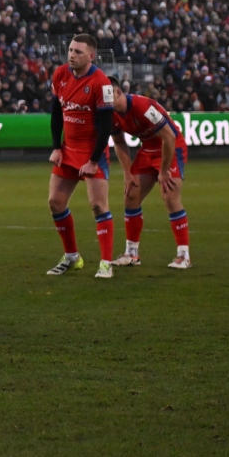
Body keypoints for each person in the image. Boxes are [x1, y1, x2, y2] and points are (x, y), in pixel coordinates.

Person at [46, 34, 117, 279]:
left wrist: (94, 160)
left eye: (78, 51)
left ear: (91, 56)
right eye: (70, 50)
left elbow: (106, 126)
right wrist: (56, 146)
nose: (72, 55)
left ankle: (106, 263)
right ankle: (72, 257)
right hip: (68, 150)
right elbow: (56, 113)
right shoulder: (60, 75)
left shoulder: (102, 83)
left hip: (93, 152)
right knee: (55, 202)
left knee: (98, 205)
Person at [108, 79, 191, 269]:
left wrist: (163, 171)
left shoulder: (144, 106)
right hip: (148, 150)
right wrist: (127, 173)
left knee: (170, 197)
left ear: (119, 92)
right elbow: (119, 143)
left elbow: (169, 136)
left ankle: (184, 255)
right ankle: (131, 253)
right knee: (131, 196)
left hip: (171, 147)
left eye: (108, 95)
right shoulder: (110, 114)